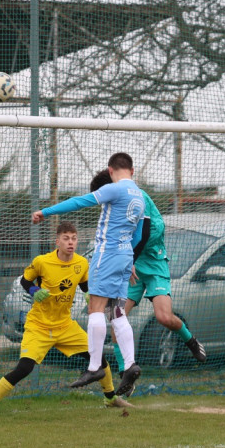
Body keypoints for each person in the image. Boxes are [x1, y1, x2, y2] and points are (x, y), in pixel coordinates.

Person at [0, 222, 130, 414]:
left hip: (65, 325)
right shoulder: (42, 261)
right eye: (66, 238)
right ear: (57, 241)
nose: (70, 242)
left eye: (74, 238)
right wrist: (35, 290)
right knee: (24, 368)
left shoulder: (82, 263)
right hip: (39, 326)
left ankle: (110, 398)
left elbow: (84, 285)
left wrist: (88, 294)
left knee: (98, 355)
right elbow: (25, 280)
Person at [32, 153, 145, 397]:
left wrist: (46, 212)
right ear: (132, 170)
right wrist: (130, 260)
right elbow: (139, 233)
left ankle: (94, 367)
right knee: (117, 312)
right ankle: (130, 364)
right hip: (126, 256)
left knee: (96, 308)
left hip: (107, 255)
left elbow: (79, 202)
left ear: (110, 170)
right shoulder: (140, 196)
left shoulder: (115, 189)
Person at [88, 170, 207, 372]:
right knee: (115, 318)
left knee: (164, 317)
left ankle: (190, 340)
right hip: (131, 268)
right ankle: (125, 374)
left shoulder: (138, 198)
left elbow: (150, 233)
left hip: (153, 265)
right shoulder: (113, 210)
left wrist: (129, 257)